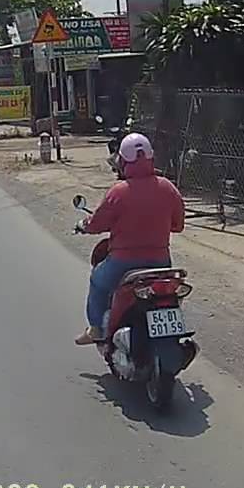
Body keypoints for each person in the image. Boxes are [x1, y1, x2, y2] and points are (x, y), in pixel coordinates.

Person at [75, 133, 185, 346]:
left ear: (124, 162)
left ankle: (97, 329)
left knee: (97, 281)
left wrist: (84, 225)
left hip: (123, 263)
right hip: (161, 262)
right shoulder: (168, 188)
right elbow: (178, 225)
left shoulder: (118, 192)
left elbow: (97, 223)